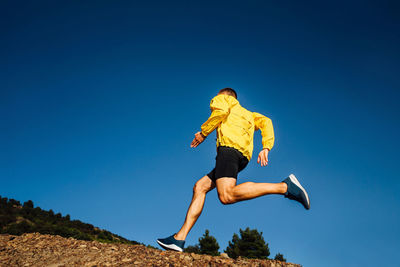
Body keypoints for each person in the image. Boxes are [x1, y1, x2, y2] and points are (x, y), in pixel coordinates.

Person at [157, 88, 310, 252]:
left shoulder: (224, 100)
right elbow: (267, 122)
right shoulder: (250, 115)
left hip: (228, 151)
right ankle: (179, 238)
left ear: (223, 95)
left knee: (226, 195)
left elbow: (221, 111)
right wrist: (266, 147)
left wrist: (204, 133)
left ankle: (285, 187)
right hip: (241, 157)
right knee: (200, 187)